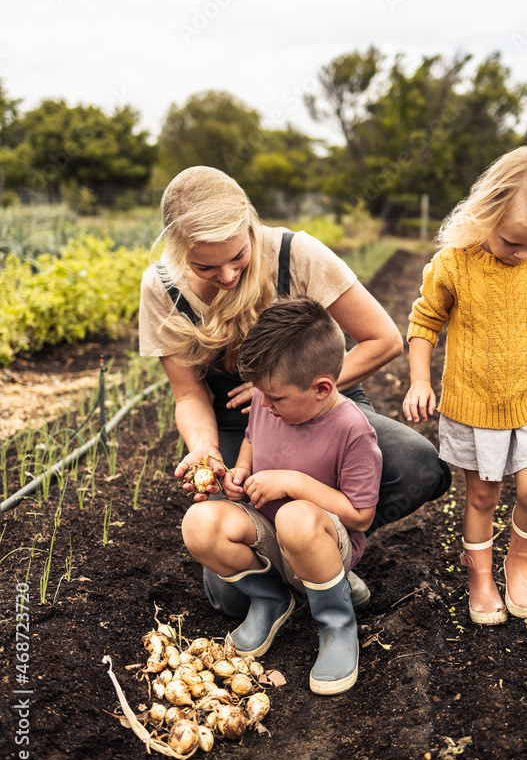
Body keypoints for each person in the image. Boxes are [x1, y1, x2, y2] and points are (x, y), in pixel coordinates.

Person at [139, 166, 450, 616]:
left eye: (238, 257)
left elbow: (382, 340)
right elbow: (189, 396)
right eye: (205, 266)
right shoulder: (164, 288)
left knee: (418, 466)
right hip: (236, 421)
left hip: (322, 406)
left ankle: (325, 551)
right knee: (228, 599)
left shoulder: (294, 254)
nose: (227, 276)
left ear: (250, 224)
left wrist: (298, 390)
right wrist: (206, 448)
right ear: (176, 249)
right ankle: (296, 574)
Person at [402, 147, 527, 625]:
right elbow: (425, 321)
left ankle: (520, 561)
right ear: (487, 213)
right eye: (512, 242)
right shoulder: (455, 263)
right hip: (473, 402)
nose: (524, 254)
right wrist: (420, 379)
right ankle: (480, 576)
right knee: (482, 496)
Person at [181, 297, 382, 694]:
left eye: (276, 399)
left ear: (322, 388)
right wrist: (241, 471)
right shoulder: (265, 401)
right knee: (199, 523)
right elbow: (253, 439)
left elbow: (360, 516)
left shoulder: (352, 430)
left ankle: (337, 625)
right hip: (271, 538)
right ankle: (271, 601)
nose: (265, 405)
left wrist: (294, 482)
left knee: (295, 517)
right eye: (262, 396)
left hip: (322, 545)